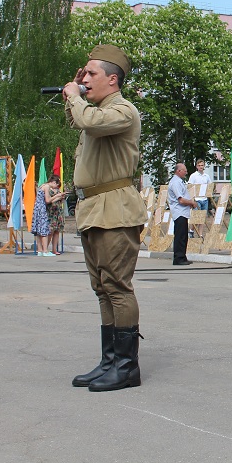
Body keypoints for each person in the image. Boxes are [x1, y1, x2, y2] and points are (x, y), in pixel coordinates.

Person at [63, 44, 148, 392]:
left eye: (90, 73)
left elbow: (88, 121)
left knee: (116, 287)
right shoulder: (95, 111)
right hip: (94, 209)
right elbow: (76, 120)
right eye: (82, 74)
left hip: (115, 209)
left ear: (112, 80)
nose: (84, 79)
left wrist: (75, 96)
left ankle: (128, 368)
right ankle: (110, 360)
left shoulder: (122, 110)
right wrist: (75, 91)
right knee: (102, 289)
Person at [168, 162, 197, 266]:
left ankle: (182, 256)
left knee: (183, 236)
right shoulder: (175, 183)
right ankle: (178, 258)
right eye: (184, 170)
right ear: (178, 171)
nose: (186, 172)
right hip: (179, 212)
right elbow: (180, 200)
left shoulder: (179, 181)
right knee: (180, 236)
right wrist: (192, 202)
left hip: (183, 213)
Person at [31, 177, 62, 256]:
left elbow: (46, 200)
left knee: (38, 230)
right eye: (56, 185)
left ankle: (40, 250)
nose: (55, 188)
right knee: (44, 229)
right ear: (54, 182)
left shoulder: (42, 185)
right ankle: (45, 251)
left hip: (37, 208)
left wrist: (58, 197)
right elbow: (48, 200)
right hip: (42, 209)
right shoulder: (47, 187)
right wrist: (57, 195)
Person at [188, 158, 212, 237]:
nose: (201, 167)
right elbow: (190, 187)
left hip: (204, 199)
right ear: (197, 166)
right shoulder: (193, 176)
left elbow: (210, 186)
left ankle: (200, 234)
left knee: (202, 218)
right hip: (197, 199)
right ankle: (191, 230)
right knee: (196, 217)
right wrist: (192, 199)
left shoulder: (206, 176)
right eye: (199, 165)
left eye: (202, 165)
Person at [46, 175, 67, 255]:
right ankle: (45, 248)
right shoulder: (48, 189)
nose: (57, 185)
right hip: (51, 213)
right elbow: (47, 201)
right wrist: (57, 197)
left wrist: (62, 197)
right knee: (50, 231)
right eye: (56, 182)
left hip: (58, 212)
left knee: (57, 231)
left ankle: (54, 249)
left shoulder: (58, 190)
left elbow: (60, 200)